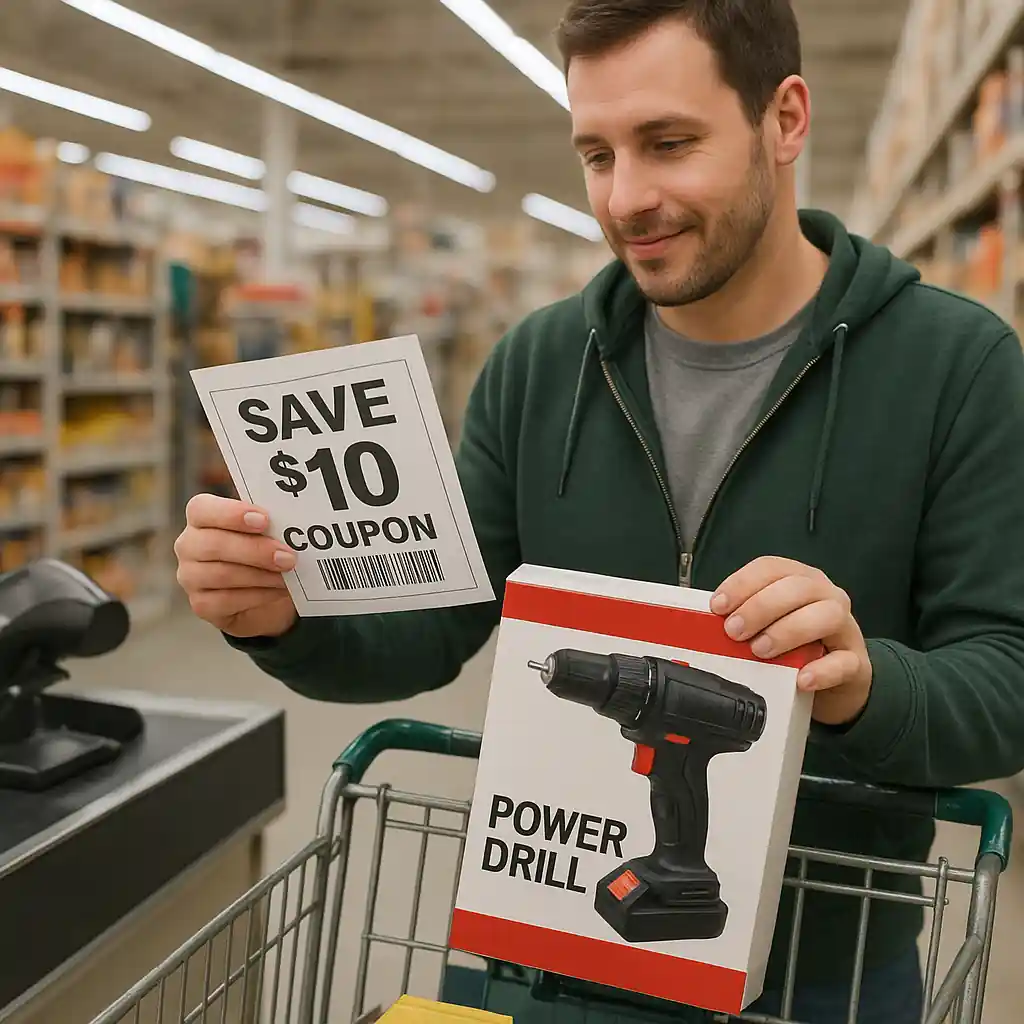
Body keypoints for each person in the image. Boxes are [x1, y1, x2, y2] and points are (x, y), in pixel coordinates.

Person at [174, 1, 1024, 1020]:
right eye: (596, 153)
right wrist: (282, 612)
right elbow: (436, 621)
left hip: (818, 976)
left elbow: (1005, 679)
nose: (626, 198)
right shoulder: (538, 364)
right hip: (543, 956)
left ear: (785, 119)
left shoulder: (957, 368)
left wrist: (862, 682)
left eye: (668, 144)